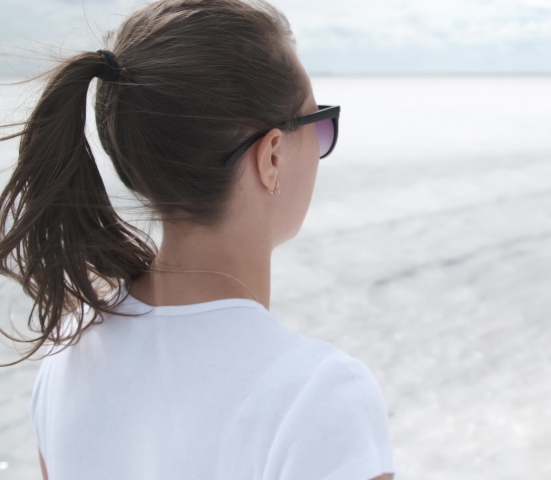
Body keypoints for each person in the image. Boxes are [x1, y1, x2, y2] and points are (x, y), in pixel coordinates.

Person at [0, 1, 395, 479]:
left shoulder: (69, 353)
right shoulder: (318, 395)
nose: (320, 145)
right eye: (319, 124)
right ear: (271, 155)